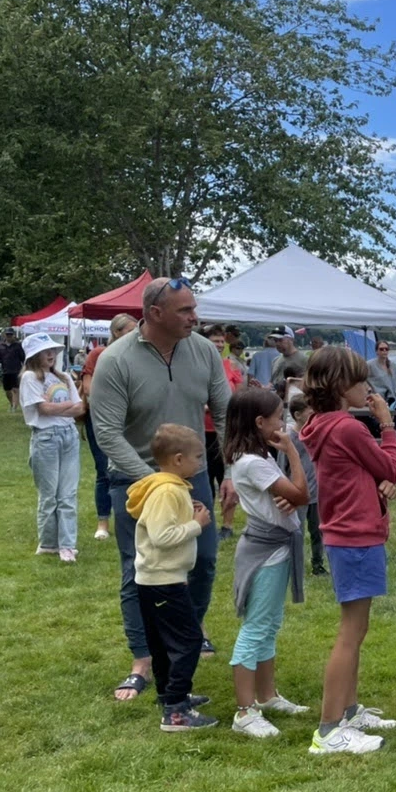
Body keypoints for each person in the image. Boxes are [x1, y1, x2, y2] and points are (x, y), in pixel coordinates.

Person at [90, 276, 232, 701]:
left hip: (193, 478)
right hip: (134, 481)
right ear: (154, 314)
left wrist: (233, 474)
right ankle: (143, 661)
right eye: (185, 311)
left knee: (202, 560)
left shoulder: (204, 351)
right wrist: (157, 482)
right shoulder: (115, 360)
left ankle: (186, 633)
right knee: (139, 569)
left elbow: (225, 413)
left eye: (193, 308)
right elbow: (107, 433)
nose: (195, 317)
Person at [299, 346, 396, 755]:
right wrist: (388, 425)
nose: (368, 387)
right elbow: (390, 468)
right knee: (351, 631)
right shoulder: (349, 428)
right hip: (356, 536)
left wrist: (376, 485)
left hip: (347, 533)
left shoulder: (322, 424)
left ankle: (348, 710)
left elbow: (368, 474)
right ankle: (328, 730)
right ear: (341, 387)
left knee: (357, 630)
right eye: (361, 381)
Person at [224, 388, 312, 738]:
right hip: (266, 552)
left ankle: (266, 696)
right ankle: (245, 711)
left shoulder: (256, 457)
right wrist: (291, 450)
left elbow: (292, 495)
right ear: (260, 423)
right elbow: (303, 494)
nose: (284, 423)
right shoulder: (254, 462)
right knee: (256, 628)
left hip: (274, 549)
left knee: (269, 624)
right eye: (279, 417)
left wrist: (288, 495)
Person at [126, 424, 219, 731]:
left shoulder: (170, 487)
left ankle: (169, 695)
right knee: (189, 640)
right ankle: (176, 710)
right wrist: (196, 524)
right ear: (178, 460)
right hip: (163, 579)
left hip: (156, 578)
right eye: (196, 457)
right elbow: (162, 536)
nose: (201, 463)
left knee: (164, 642)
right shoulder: (167, 491)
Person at [19, 333, 84, 563]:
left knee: (68, 493)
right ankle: (48, 543)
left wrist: (59, 407)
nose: (51, 355)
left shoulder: (64, 377)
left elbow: (80, 409)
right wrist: (67, 406)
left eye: (53, 351)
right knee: (49, 495)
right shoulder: (29, 378)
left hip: (68, 436)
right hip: (45, 438)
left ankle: (67, 545)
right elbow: (43, 410)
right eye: (46, 351)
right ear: (34, 355)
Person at [81, 314, 138, 541]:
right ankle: (103, 521)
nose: (135, 336)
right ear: (116, 332)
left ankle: (130, 517)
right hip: (102, 420)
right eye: (129, 332)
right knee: (104, 470)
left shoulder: (137, 356)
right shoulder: (99, 354)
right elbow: (88, 389)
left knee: (131, 468)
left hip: (131, 421)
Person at [199, 324, 246, 542]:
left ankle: (227, 525)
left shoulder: (229, 366)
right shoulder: (197, 366)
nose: (218, 345)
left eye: (221, 341)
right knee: (203, 480)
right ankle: (205, 523)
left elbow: (238, 396)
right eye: (214, 340)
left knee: (226, 476)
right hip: (200, 431)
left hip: (225, 432)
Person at [287, 394, 326, 576]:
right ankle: (296, 567)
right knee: (298, 532)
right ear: (297, 415)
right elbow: (282, 468)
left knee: (319, 531)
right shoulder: (290, 438)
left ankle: (318, 564)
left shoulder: (315, 434)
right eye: (310, 413)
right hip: (298, 494)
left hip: (317, 493)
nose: (314, 417)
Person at [367, 339, 396, 404]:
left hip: (391, 399)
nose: (384, 351)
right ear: (376, 351)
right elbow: (361, 380)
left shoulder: (393, 366)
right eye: (381, 349)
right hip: (376, 400)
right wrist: (368, 389)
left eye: (386, 349)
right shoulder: (369, 365)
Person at [0, 327, 26, 412]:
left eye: (10, 335)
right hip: (5, 370)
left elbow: (23, 357)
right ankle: (12, 403)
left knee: (15, 389)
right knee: (7, 390)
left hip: (16, 370)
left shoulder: (18, 345)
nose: (9, 336)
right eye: (7, 335)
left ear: (13, 335)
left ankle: (14, 407)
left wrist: (25, 367)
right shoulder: (0, 346)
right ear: (5, 335)